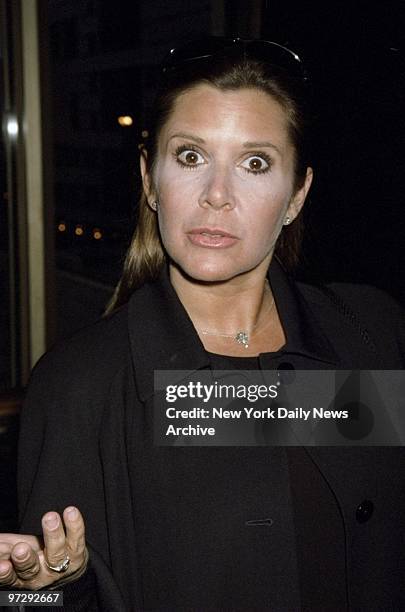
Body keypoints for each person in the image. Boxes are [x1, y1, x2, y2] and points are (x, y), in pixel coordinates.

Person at [1, 37, 405, 611]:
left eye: (255, 163)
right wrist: (54, 592)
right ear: (149, 178)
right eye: (190, 156)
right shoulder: (81, 386)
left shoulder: (369, 333)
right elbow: (45, 600)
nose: (217, 195)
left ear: (297, 194)